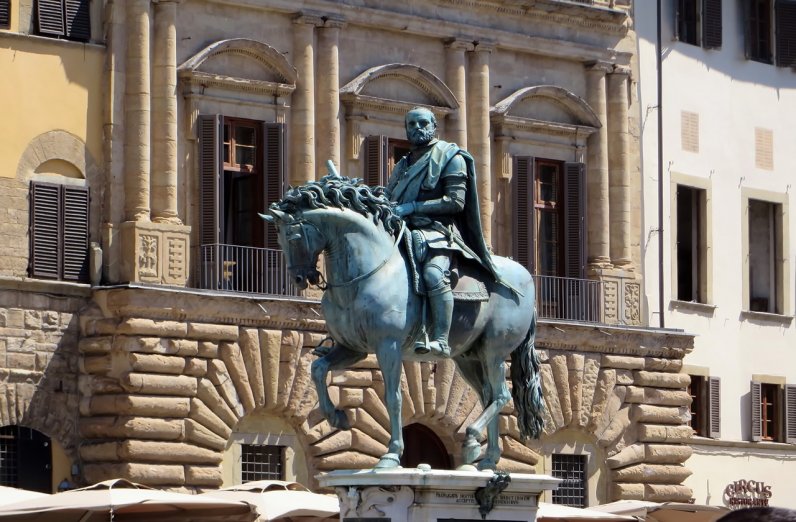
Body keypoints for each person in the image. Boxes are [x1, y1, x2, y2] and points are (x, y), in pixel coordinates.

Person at [386, 106, 510, 358]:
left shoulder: (452, 157)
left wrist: (412, 207)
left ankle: (441, 339)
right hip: (402, 229)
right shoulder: (403, 165)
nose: (417, 129)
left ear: (434, 126)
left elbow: (455, 202)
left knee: (433, 274)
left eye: (422, 123)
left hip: (438, 232)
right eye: (411, 125)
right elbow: (389, 198)